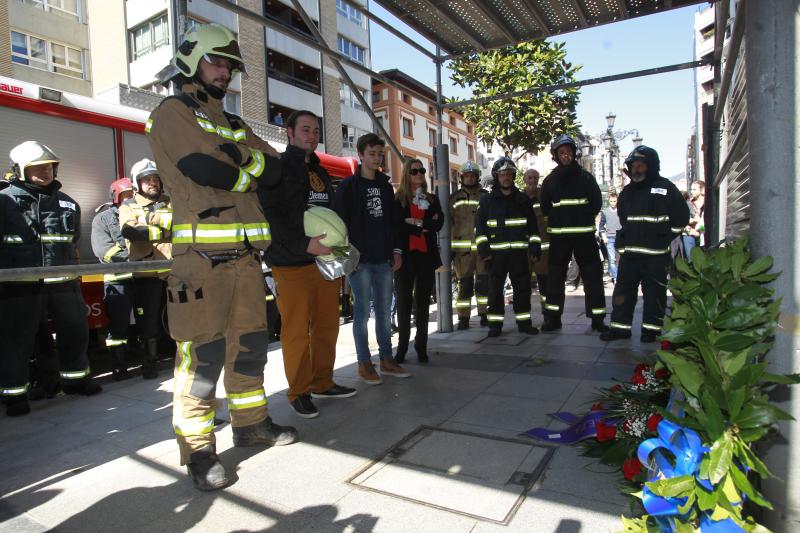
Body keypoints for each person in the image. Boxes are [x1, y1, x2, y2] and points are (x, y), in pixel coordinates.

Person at [147, 23, 297, 490]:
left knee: (250, 348)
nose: (226, 71)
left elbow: (278, 172)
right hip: (200, 262)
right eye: (217, 61)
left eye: (231, 64)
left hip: (247, 262)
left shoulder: (233, 122)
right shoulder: (172, 112)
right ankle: (198, 452)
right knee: (203, 358)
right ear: (191, 61)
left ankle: (251, 425)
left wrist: (242, 162)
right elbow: (201, 166)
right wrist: (247, 168)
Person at [259, 109, 356, 419]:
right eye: (305, 129)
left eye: (316, 130)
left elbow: (326, 211)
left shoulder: (318, 168)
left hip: (324, 262)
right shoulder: (277, 168)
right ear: (289, 132)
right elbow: (271, 216)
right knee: (297, 331)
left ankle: (322, 382)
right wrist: (304, 243)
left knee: (328, 325)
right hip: (291, 263)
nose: (312, 135)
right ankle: (298, 391)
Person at [0, 141, 102, 417]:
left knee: (75, 332)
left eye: (49, 167)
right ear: (21, 170)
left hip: (63, 281)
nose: (45, 172)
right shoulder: (4, 200)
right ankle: (14, 394)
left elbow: (72, 242)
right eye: (38, 167)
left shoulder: (68, 203)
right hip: (20, 284)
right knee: (16, 340)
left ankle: (76, 380)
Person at [335, 133, 410, 383]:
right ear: (360, 155)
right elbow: (339, 226)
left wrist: (397, 251)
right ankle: (364, 364)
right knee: (362, 314)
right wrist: (348, 258)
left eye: (380, 154)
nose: (377, 158)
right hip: (360, 261)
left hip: (384, 260)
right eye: (372, 153)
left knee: (385, 313)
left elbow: (394, 223)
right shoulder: (347, 187)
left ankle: (387, 360)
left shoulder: (386, 187)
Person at [601, 146, 689, 343]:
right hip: (630, 256)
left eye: (640, 165)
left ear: (651, 166)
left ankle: (651, 331)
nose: (636, 170)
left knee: (654, 295)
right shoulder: (627, 192)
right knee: (622, 294)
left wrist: (664, 238)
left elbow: (681, 218)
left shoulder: (665, 187)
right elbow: (625, 220)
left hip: (655, 256)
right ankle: (620, 329)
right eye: (633, 166)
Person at [539, 135, 608, 333]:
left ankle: (597, 319)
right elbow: (545, 206)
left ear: (574, 153)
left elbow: (596, 202)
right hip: (559, 238)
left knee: (593, 278)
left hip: (584, 237)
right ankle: (553, 319)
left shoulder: (586, 178)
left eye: (568, 152)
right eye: (561, 152)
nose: (565, 155)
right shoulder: (550, 180)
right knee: (555, 279)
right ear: (556, 155)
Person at [475, 157, 541, 337]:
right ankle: (495, 325)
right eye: (502, 174)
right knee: (495, 291)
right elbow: (480, 230)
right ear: (497, 176)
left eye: (509, 174)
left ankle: (524, 323)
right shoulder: (486, 201)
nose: (506, 177)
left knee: (523, 289)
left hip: (519, 255)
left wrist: (535, 250)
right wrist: (485, 253)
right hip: (495, 256)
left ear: (513, 176)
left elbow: (533, 228)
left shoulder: (523, 200)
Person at [118, 159, 172, 380]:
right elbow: (132, 232)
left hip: (174, 270)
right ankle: (150, 361)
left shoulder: (172, 201)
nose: (152, 183)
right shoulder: (128, 205)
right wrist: (165, 231)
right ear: (137, 183)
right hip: (147, 273)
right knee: (148, 319)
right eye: (147, 179)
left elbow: (184, 224)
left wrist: (150, 219)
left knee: (179, 315)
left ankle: (178, 354)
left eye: (155, 179)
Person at [393, 158, 444, 364]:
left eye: (422, 170)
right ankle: (402, 348)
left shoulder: (432, 199)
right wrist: (419, 226)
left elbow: (438, 223)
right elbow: (397, 226)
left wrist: (414, 222)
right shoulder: (398, 199)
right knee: (404, 304)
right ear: (407, 173)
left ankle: (421, 346)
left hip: (426, 258)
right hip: (404, 258)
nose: (419, 174)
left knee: (423, 304)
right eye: (415, 171)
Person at [91, 177, 137, 381]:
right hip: (117, 281)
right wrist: (136, 254)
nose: (130, 199)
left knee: (147, 321)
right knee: (118, 326)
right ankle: (119, 365)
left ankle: (146, 359)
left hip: (144, 279)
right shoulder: (102, 219)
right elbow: (104, 251)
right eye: (126, 196)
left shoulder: (141, 214)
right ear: (116, 197)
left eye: (133, 195)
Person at [450, 160, 489, 330]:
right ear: (462, 177)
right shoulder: (454, 198)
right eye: (467, 175)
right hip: (462, 251)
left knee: (483, 283)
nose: (470, 178)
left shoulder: (485, 196)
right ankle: (464, 317)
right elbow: (449, 224)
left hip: (482, 248)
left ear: (477, 177)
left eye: (473, 175)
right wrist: (450, 249)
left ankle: (484, 314)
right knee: (464, 285)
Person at [523, 168, 549, 316]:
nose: (532, 181)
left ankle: (547, 313)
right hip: (524, 249)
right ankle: (524, 316)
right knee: (523, 285)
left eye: (535, 178)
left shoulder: (544, 198)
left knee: (545, 285)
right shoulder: (519, 198)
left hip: (543, 249)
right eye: (530, 178)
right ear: (525, 179)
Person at [599, 193, 621, 284]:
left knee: (620, 260)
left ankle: (619, 277)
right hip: (610, 238)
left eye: (614, 201)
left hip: (620, 238)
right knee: (612, 260)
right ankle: (616, 278)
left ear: (617, 201)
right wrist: (604, 236)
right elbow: (601, 226)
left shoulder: (621, 211)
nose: (613, 203)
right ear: (609, 201)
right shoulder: (605, 212)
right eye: (611, 201)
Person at [683, 180, 705, 261]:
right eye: (691, 189)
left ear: (702, 190)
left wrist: (700, 228)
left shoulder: (708, 203)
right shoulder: (688, 204)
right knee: (691, 259)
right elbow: (681, 219)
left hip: (703, 234)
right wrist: (689, 229)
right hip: (689, 234)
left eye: (694, 189)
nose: (692, 192)